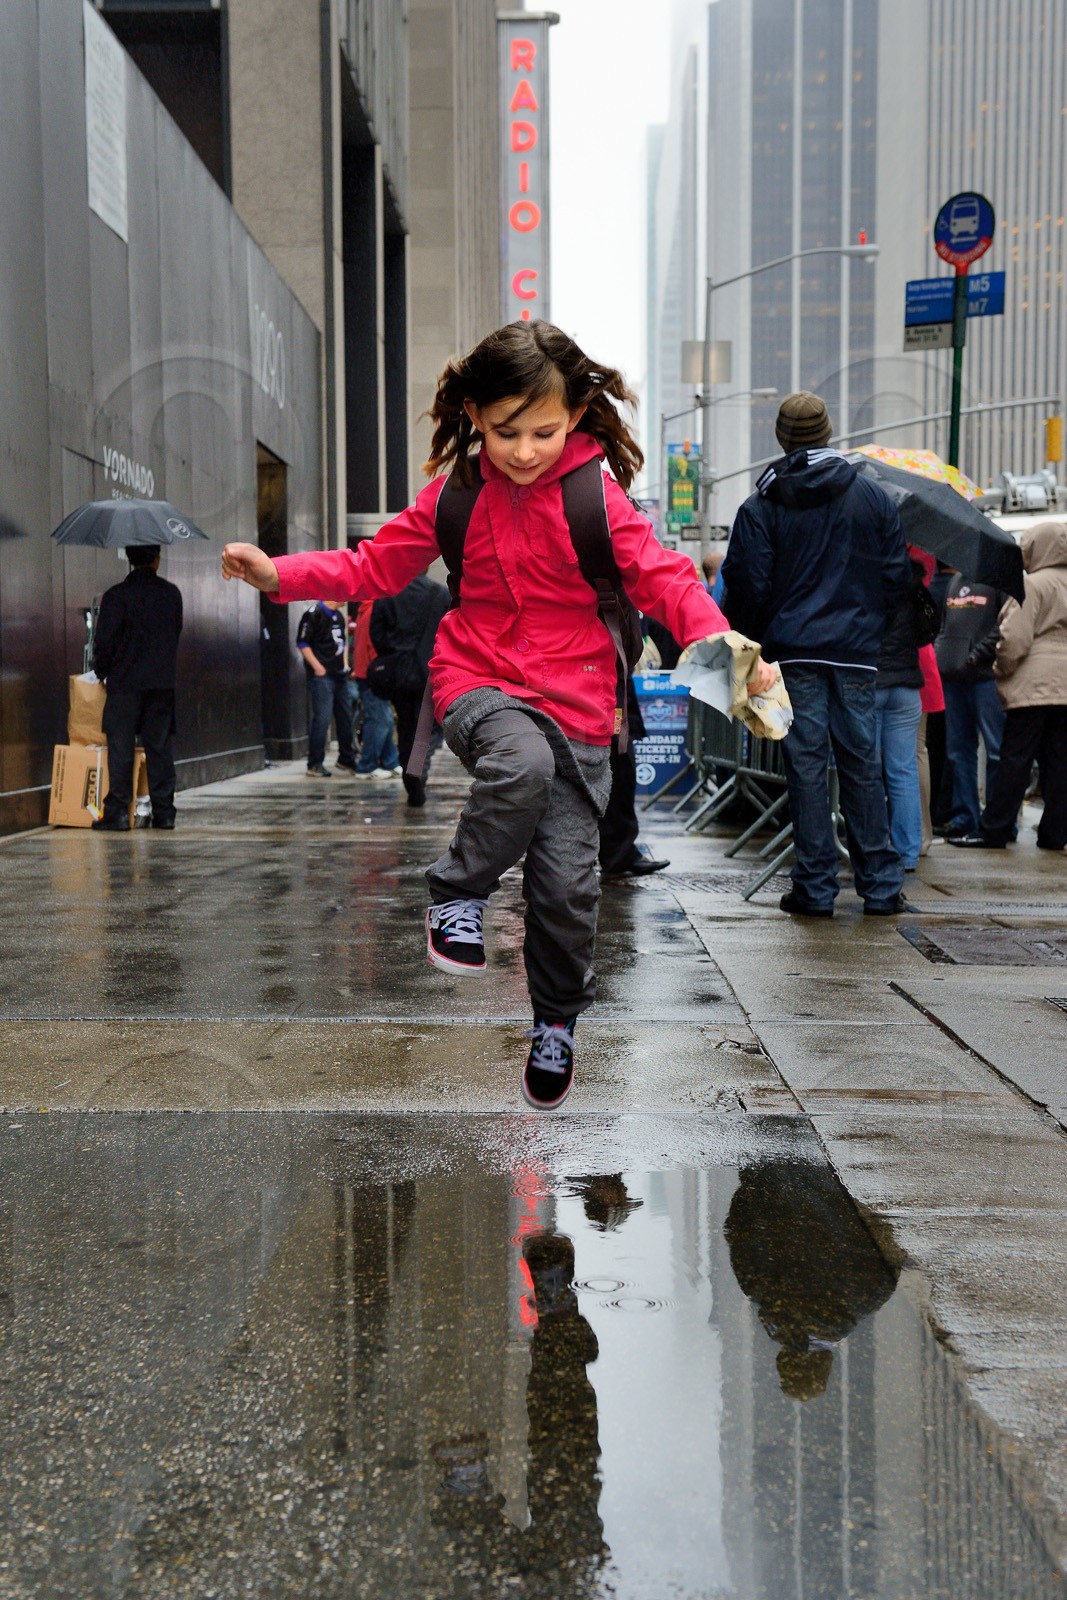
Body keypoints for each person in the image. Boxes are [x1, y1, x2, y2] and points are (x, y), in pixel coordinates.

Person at [222, 320, 773, 1108]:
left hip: (579, 699)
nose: (523, 450)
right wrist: (280, 573)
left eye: (543, 431)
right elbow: (376, 564)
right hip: (477, 677)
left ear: (576, 415)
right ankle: (456, 890)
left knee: (565, 889)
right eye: (505, 430)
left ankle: (555, 1023)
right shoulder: (459, 495)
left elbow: (666, 582)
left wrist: (729, 653)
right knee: (521, 762)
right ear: (474, 416)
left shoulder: (596, 498)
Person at [721, 390, 913, 917]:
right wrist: (868, 625)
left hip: (793, 653)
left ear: (782, 439)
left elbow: (747, 583)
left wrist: (761, 641)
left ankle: (815, 887)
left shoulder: (761, 504)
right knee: (861, 765)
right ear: (827, 434)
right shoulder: (872, 497)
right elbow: (898, 576)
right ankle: (880, 885)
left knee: (804, 768)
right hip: (854, 653)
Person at [949, 520, 1067, 851]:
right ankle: (1055, 833)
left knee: (1015, 759)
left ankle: (995, 829)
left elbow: (1013, 636)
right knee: (1059, 762)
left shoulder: (1032, 585)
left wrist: (1002, 667)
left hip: (1033, 685)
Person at [91, 543, 182, 831]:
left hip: (124, 683)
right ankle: (165, 813)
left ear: (129, 559)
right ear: (156, 560)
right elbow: (175, 632)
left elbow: (104, 641)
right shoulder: (171, 595)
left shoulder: (116, 596)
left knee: (120, 747)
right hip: (160, 683)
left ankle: (117, 812)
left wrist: (102, 671)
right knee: (159, 748)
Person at [935, 574, 1009, 839]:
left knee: (996, 751)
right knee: (958, 752)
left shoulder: (999, 582)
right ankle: (965, 816)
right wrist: (941, 652)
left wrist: (977, 654)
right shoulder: (955, 581)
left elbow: (1005, 625)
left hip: (986, 678)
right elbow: (945, 625)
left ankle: (998, 821)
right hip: (954, 678)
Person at [369, 573, 450, 806]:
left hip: (397, 674)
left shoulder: (387, 593)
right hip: (429, 671)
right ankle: (417, 770)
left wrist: (395, 655)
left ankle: (410, 768)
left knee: (405, 724)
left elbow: (377, 634)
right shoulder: (440, 594)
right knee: (426, 727)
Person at [873, 553, 932, 872]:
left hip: (871, 682)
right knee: (903, 770)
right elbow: (928, 631)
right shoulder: (914, 584)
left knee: (868, 771)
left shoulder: (862, 576)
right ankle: (908, 852)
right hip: (907, 684)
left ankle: (875, 848)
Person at [296, 598, 357, 777]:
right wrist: (317, 667)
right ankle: (314, 763)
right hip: (323, 677)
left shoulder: (338, 616)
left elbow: (343, 642)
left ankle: (346, 758)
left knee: (345, 717)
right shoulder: (314, 613)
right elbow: (302, 643)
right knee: (322, 719)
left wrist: (345, 663)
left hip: (340, 675)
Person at [350, 600, 402, 780]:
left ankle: (390, 761)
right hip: (372, 674)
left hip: (365, 672)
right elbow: (374, 644)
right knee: (380, 719)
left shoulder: (365, 611)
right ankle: (366, 766)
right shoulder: (374, 611)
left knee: (381, 717)